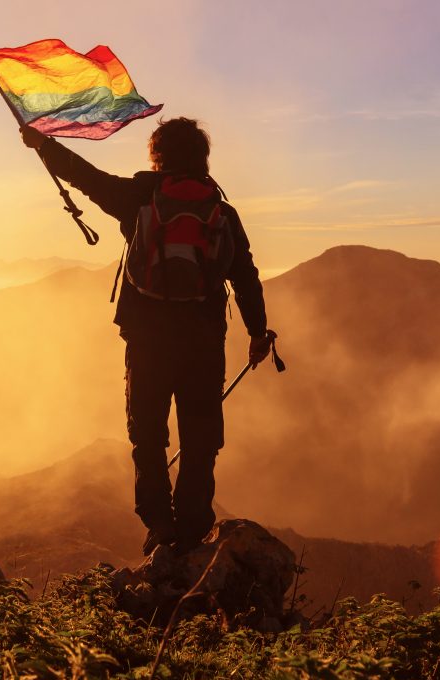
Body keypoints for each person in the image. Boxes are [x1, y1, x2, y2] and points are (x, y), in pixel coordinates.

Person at [21, 118, 272, 556]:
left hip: (148, 338)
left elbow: (86, 177)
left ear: (157, 156)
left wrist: (44, 146)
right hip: (203, 339)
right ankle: (193, 523)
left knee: (148, 433)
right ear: (203, 158)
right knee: (201, 435)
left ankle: (159, 525)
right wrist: (257, 332)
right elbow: (245, 276)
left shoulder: (139, 197)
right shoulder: (221, 211)